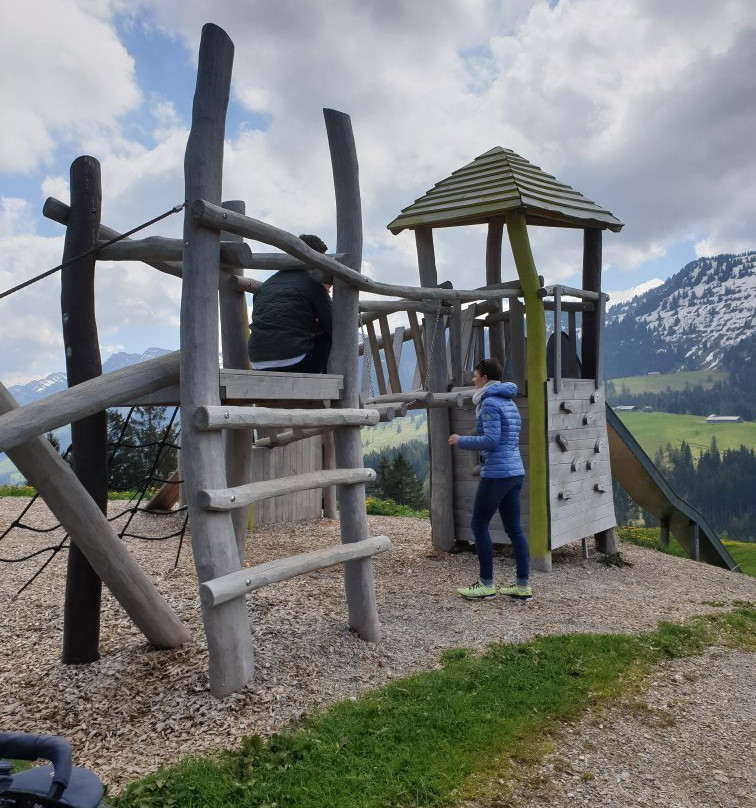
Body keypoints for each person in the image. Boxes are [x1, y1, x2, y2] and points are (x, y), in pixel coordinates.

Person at [448, 357, 532, 601]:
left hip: (497, 474)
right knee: (514, 529)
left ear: (485, 378)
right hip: (515, 472)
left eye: (475, 375)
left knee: (478, 525)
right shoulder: (508, 401)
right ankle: (522, 586)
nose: (473, 379)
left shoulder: (489, 403)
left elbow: (491, 440)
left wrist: (461, 440)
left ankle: (486, 584)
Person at [247, 234, 333, 373]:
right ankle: (330, 385)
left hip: (257, 362)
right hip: (295, 362)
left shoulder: (267, 284)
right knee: (329, 338)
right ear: (317, 260)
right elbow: (332, 325)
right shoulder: (312, 284)